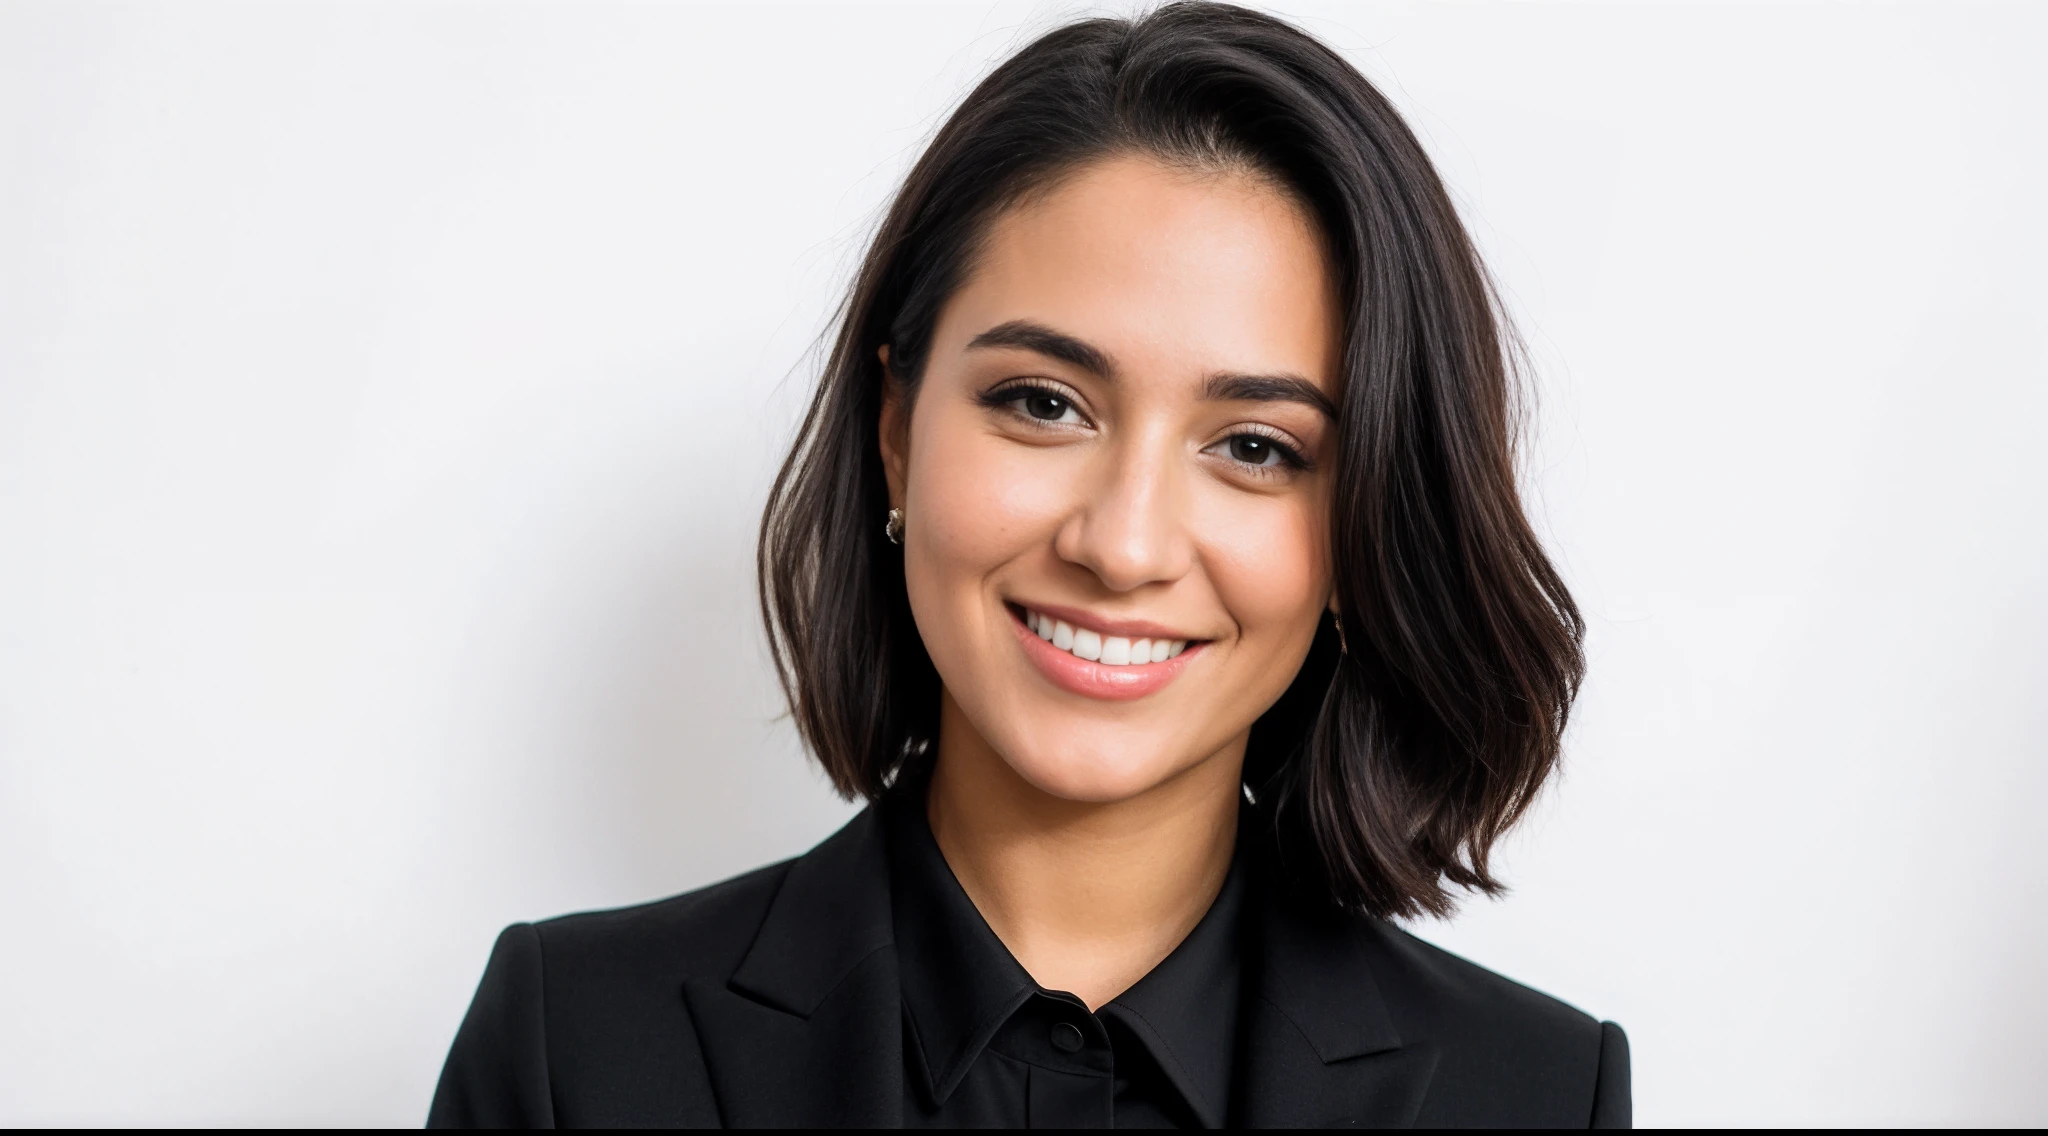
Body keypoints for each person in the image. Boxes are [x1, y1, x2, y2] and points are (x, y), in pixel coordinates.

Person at [428, 2, 1627, 1127]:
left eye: (1256, 446)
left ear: (1367, 525)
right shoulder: (570, 1049)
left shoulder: (1531, 1093)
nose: (1122, 542)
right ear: (895, 429)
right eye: (1043, 403)